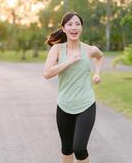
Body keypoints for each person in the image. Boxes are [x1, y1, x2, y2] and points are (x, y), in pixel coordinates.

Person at [43, 12, 104, 163]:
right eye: (69, 24)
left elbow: (100, 56)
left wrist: (97, 73)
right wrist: (69, 61)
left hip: (86, 104)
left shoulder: (89, 50)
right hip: (64, 105)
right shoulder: (57, 49)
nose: (74, 27)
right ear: (63, 28)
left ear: (81, 28)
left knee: (80, 148)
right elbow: (47, 73)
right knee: (67, 149)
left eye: (77, 24)